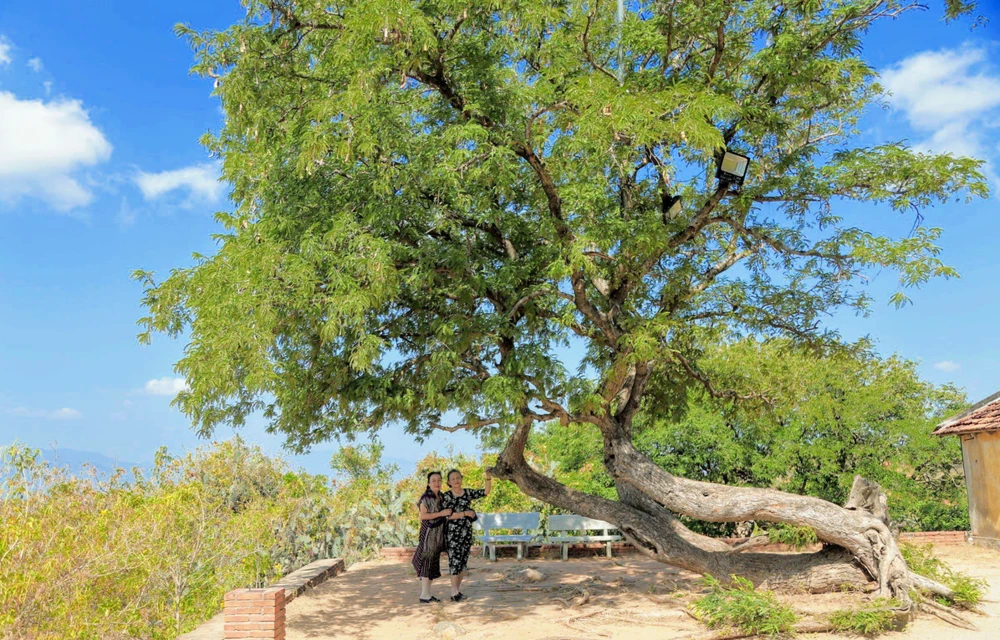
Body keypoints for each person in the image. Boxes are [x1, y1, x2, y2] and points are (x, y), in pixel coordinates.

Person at [441, 467, 492, 601]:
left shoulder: (468, 492)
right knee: (454, 561)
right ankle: (453, 592)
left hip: (466, 532)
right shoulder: (446, 496)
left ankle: (456, 591)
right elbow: (447, 516)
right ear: (449, 482)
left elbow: (485, 492)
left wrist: (488, 477)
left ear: (461, 479)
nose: (456, 480)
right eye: (453, 479)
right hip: (452, 533)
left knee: (463, 561)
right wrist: (465, 513)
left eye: (458, 477)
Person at [412, 471, 452, 603]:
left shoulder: (441, 496)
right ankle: (424, 594)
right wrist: (441, 513)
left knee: (433, 563)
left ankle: (427, 594)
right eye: (433, 480)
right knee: (427, 562)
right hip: (429, 532)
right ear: (429, 483)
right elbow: (423, 516)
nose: (437, 483)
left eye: (439, 480)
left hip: (438, 534)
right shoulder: (426, 498)